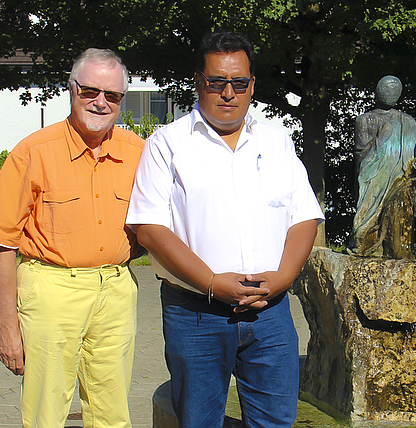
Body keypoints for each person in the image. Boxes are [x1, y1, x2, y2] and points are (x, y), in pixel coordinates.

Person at [126, 31, 323, 428]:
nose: (228, 92)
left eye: (239, 82)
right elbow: (149, 228)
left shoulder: (276, 140)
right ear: (199, 82)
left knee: (275, 423)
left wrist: (282, 278)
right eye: (217, 82)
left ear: (253, 85)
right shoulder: (167, 144)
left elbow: (304, 216)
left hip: (270, 316)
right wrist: (214, 283)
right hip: (195, 316)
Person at [0, 48, 144, 428]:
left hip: (116, 289)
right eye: (90, 91)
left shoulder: (139, 153)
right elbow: (1, 242)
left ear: (121, 100)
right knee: (46, 411)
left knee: (112, 411)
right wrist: (8, 328)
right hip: (51, 288)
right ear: (71, 90)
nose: (100, 103)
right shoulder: (33, 152)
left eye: (112, 95)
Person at [350, 75, 416, 258]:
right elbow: (361, 157)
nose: (391, 93)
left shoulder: (408, 121)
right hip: (373, 183)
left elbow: (415, 154)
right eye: (387, 89)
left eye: (395, 90)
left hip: (399, 180)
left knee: (398, 222)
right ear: (377, 92)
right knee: (364, 231)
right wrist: (381, 140)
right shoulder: (364, 120)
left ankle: (391, 246)